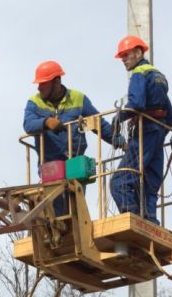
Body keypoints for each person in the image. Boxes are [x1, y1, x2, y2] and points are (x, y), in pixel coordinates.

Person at [23, 60, 123, 214]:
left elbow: (98, 124)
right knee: (55, 210)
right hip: (50, 163)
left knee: (75, 207)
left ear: (56, 82)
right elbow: (28, 124)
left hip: (74, 160)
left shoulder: (78, 98)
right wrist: (46, 121)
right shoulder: (34, 102)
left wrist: (120, 142)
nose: (39, 87)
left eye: (43, 83)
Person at [109, 35, 172, 225]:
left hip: (145, 133)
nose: (123, 59)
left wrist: (119, 118)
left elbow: (137, 103)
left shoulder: (139, 73)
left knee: (119, 181)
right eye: (122, 56)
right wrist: (159, 133)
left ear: (139, 53)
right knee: (149, 183)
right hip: (156, 134)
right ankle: (150, 220)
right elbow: (171, 116)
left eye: (126, 55)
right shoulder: (158, 76)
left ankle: (133, 219)